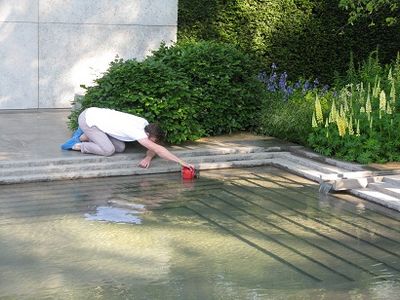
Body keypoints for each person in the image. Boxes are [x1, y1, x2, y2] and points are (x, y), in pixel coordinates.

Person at [61, 107, 193, 169]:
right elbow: (159, 149)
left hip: (99, 118)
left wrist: (147, 157)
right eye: (153, 140)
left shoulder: (145, 124)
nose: (153, 143)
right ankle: (77, 143)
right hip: (87, 119)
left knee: (120, 147)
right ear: (148, 135)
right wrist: (183, 163)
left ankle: (87, 136)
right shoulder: (138, 133)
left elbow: (155, 146)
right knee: (108, 150)